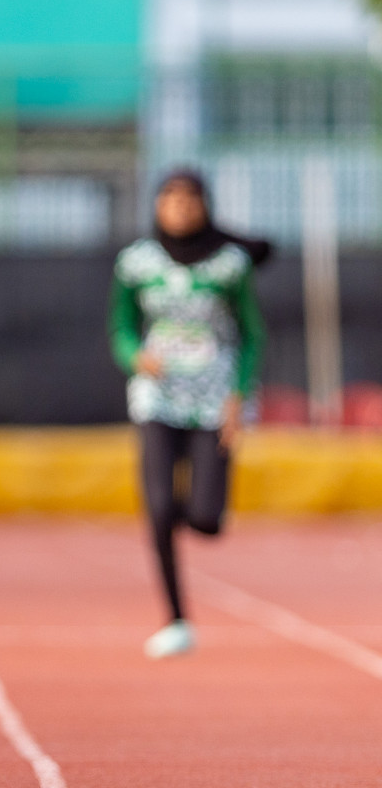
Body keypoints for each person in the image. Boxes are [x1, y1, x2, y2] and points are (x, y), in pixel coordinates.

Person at [111, 168, 269, 659]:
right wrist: (134, 354)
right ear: (156, 206)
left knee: (206, 518)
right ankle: (176, 619)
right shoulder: (136, 262)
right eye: (169, 199)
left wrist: (239, 394)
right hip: (158, 397)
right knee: (158, 507)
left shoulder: (229, 265)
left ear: (205, 206)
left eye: (189, 200)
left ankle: (189, 514)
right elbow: (121, 326)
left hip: (213, 397)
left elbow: (252, 334)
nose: (179, 209)